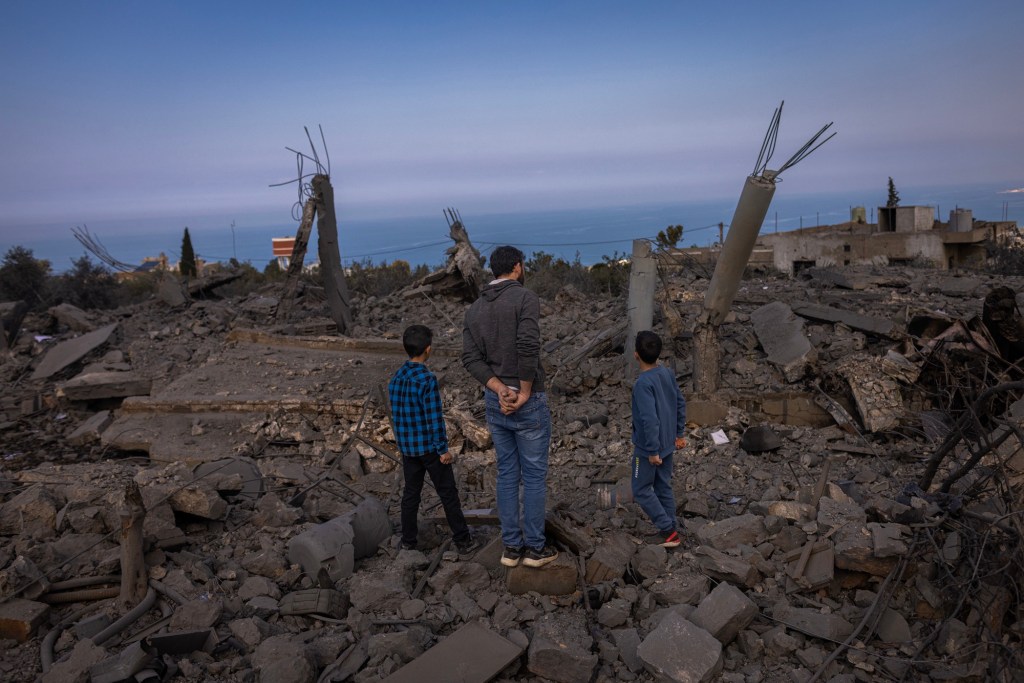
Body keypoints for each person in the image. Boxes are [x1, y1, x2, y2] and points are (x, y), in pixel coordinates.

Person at [462, 245, 557, 569]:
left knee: (506, 473)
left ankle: (511, 548)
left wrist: (499, 388)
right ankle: (535, 548)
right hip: (527, 398)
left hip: (496, 399)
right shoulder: (525, 298)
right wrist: (524, 391)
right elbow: (528, 345)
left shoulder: (474, 309)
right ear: (517, 267)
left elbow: (470, 358)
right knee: (533, 476)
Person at [388, 324, 479, 557]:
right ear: (428, 349)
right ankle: (463, 541)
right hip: (429, 448)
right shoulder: (427, 379)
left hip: (408, 449)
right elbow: (434, 418)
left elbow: (398, 415)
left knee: (411, 494)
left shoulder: (397, 377)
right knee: (448, 493)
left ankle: (408, 541)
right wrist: (443, 449)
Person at [631, 330, 687, 548]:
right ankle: (671, 528)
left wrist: (652, 451)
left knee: (640, 489)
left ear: (636, 355)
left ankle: (667, 529)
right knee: (663, 485)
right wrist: (679, 433)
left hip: (648, 448)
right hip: (668, 442)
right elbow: (680, 402)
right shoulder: (667, 373)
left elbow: (650, 419)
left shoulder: (642, 384)